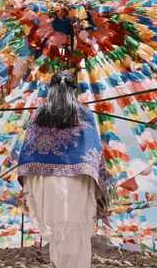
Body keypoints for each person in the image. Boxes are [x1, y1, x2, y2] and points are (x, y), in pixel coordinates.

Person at [16, 70, 115, 268]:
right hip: (78, 181)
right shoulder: (84, 113)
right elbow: (92, 150)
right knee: (77, 232)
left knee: (58, 233)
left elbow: (29, 150)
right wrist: (99, 182)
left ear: (50, 89)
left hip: (46, 182)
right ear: (74, 90)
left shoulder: (39, 114)